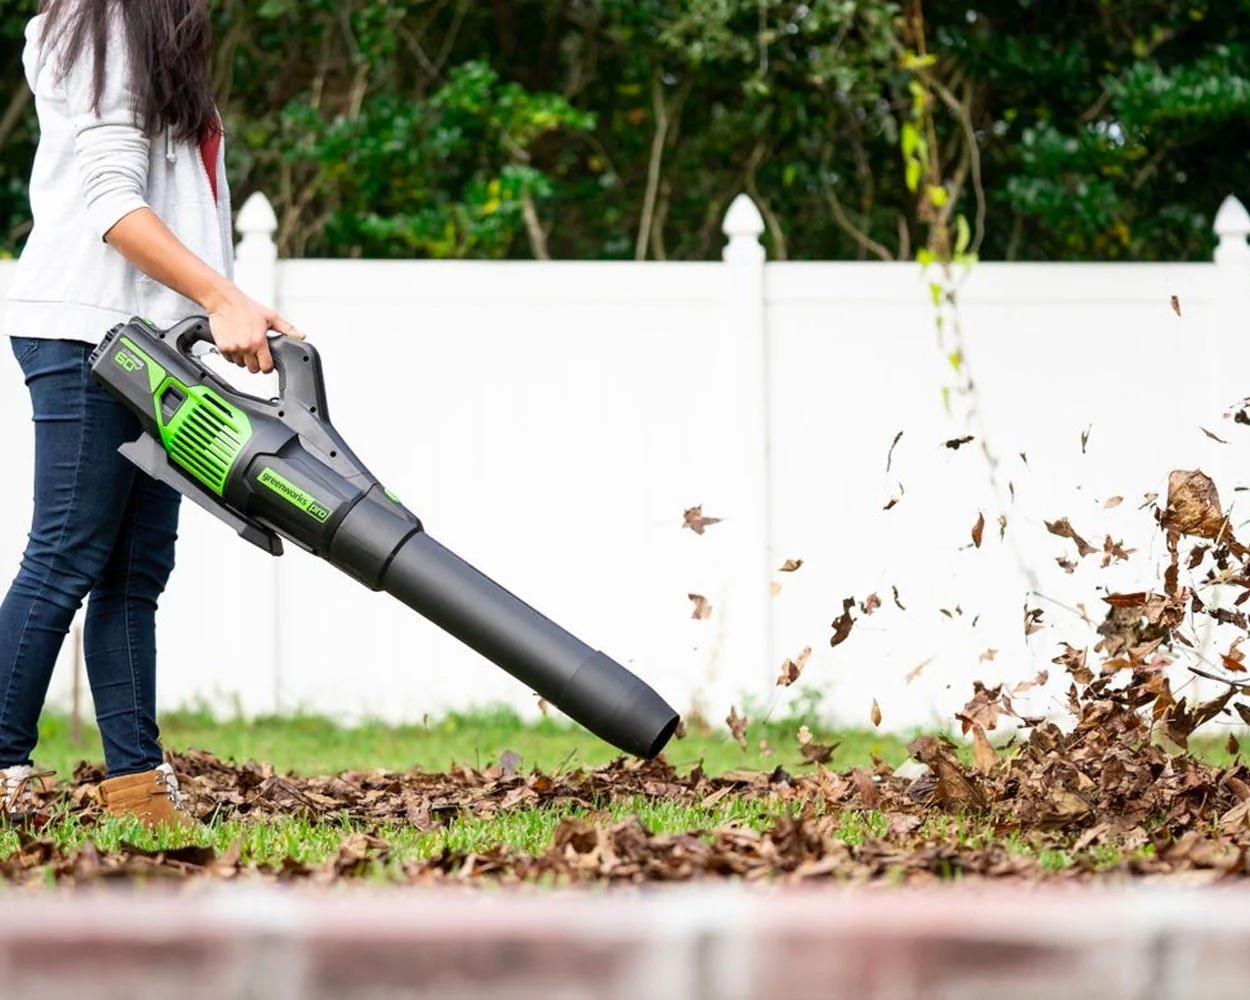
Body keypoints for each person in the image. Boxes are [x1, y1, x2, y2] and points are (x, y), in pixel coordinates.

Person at [0, 0, 299, 829]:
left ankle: (136, 785)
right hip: (87, 331)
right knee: (65, 554)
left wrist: (216, 308)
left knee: (135, 575)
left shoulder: (153, 35)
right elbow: (110, 204)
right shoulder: (96, 21)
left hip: (155, 344)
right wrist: (223, 296)